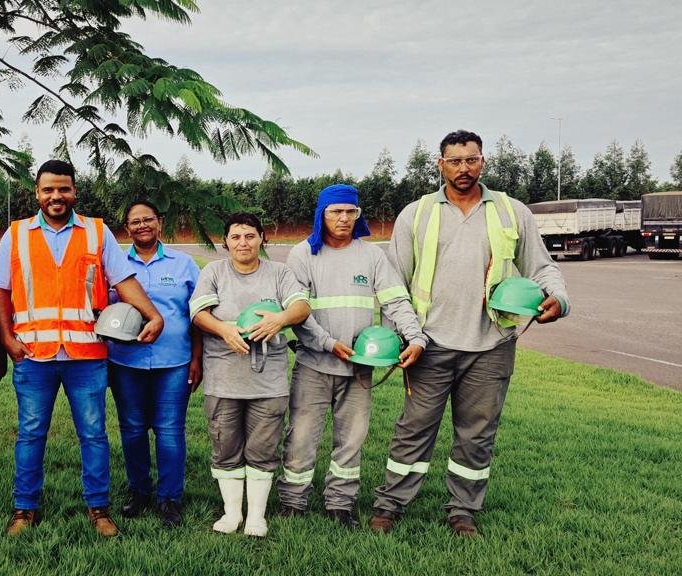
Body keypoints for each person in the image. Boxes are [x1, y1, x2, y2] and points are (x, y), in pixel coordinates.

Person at [369, 130, 569, 537]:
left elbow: (542, 267)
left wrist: (559, 299)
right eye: (455, 161)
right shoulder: (417, 213)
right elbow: (395, 284)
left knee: (477, 433)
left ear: (483, 161)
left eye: (471, 160)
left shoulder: (512, 212)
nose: (464, 168)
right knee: (414, 428)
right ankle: (389, 505)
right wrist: (401, 338)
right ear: (439, 164)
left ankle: (463, 512)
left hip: (492, 344)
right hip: (430, 343)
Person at [0, 159, 164, 538]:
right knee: (31, 432)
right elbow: (0, 289)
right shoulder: (15, 234)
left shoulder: (96, 232)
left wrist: (153, 314)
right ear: (36, 193)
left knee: (94, 433)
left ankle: (98, 508)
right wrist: (5, 339)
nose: (57, 196)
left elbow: (124, 279)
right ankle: (25, 509)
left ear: (74, 192)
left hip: (87, 356)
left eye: (64, 189)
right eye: (48, 189)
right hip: (34, 355)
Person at [277, 184, 426, 529]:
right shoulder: (303, 254)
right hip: (313, 364)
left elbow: (395, 301)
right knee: (300, 435)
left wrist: (415, 338)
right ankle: (292, 501)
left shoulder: (372, 256)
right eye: (335, 212)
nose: (343, 219)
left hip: (359, 369)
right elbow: (296, 311)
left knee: (352, 438)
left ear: (358, 215)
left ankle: (340, 504)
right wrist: (328, 343)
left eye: (350, 212)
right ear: (321, 214)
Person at [189, 212, 310, 538]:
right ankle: (232, 513)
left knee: (263, 447)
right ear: (226, 242)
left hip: (267, 380)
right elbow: (198, 313)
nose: (243, 243)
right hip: (224, 378)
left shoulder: (279, 272)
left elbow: (301, 306)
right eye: (235, 237)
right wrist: (223, 329)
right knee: (225, 445)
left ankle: (256, 516)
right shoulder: (214, 272)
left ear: (262, 239)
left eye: (250, 236)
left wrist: (280, 319)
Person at [107, 200, 202, 528]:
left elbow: (199, 315)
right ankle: (139, 491)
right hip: (125, 361)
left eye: (148, 219)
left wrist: (197, 358)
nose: (142, 225)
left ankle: (170, 498)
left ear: (160, 223)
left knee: (170, 430)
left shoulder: (184, 264)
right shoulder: (114, 264)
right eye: (135, 221)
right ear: (127, 229)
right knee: (132, 428)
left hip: (174, 361)